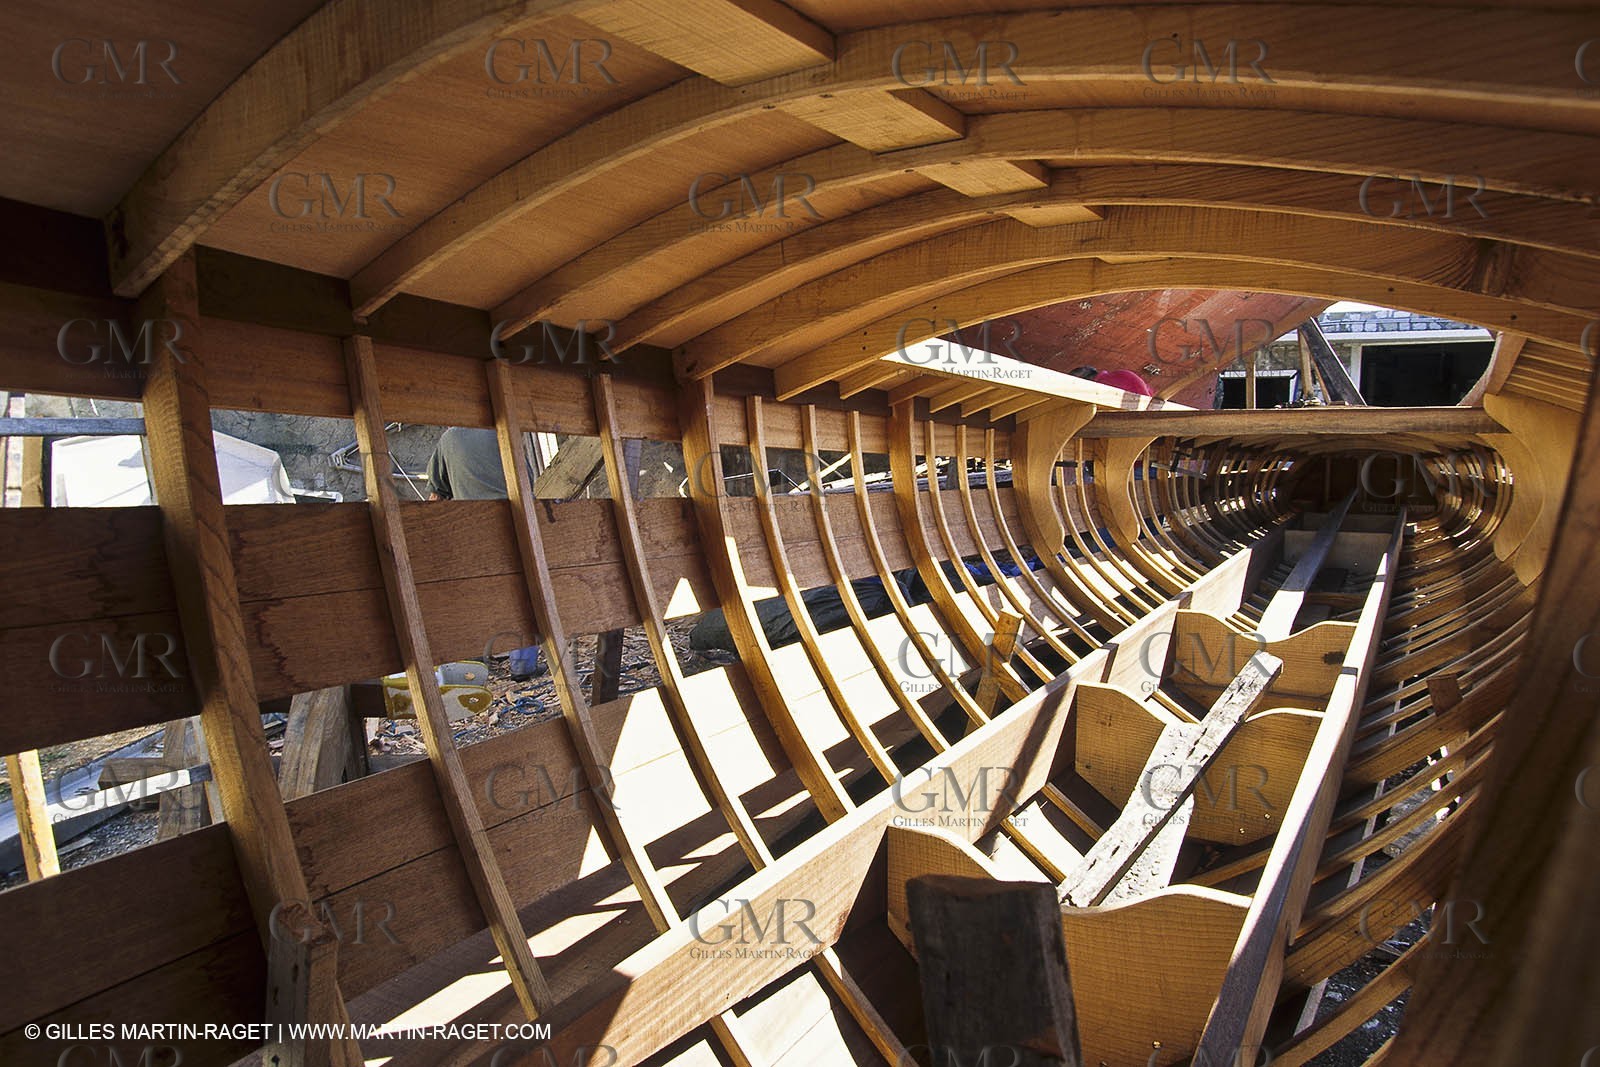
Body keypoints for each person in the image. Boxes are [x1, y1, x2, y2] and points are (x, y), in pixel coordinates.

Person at [426, 427, 546, 679]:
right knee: (523, 595)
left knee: (473, 596)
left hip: (472, 530)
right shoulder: (503, 433)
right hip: (517, 525)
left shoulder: (449, 438)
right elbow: (528, 480)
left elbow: (436, 494)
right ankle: (523, 666)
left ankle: (471, 668)